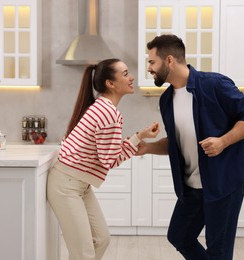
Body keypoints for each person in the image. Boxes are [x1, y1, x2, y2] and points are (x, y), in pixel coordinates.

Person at [136, 34, 244, 260]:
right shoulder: (166, 100)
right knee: (179, 235)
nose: (149, 68)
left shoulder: (214, 84)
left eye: (152, 62)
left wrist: (223, 141)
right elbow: (176, 143)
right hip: (192, 186)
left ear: (170, 60)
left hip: (225, 181)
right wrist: (148, 148)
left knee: (218, 251)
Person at [47, 58, 160, 260]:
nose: (131, 77)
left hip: (78, 184)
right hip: (67, 185)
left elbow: (109, 155)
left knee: (101, 239)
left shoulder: (102, 107)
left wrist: (139, 137)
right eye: (125, 74)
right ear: (110, 83)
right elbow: (111, 160)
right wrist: (137, 140)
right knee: (84, 253)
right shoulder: (109, 113)